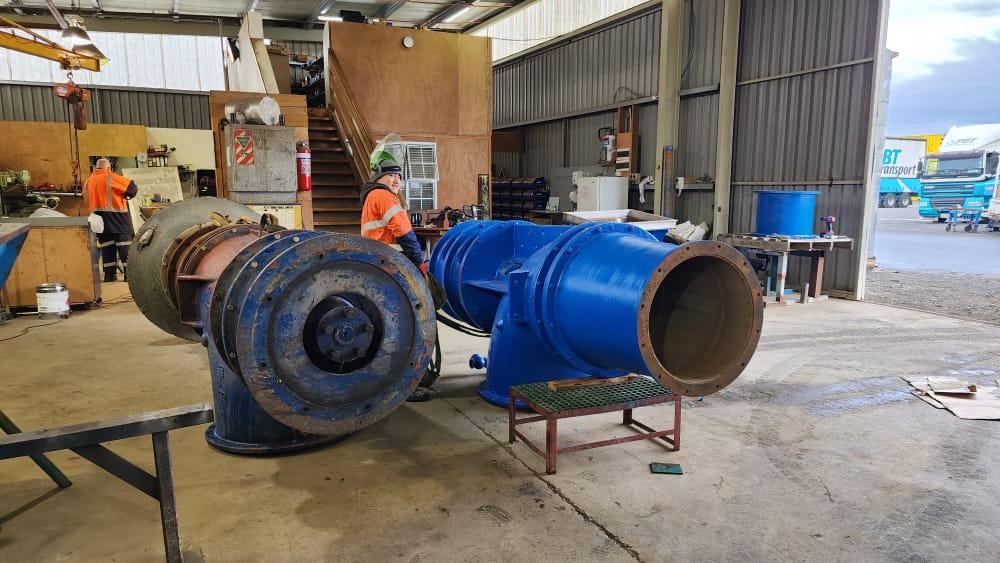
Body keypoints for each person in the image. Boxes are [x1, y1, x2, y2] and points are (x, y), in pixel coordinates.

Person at [360, 158, 432, 402]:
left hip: (379, 268)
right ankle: (405, 385)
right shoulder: (383, 196)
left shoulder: (371, 197)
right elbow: (404, 232)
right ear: (378, 177)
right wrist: (419, 262)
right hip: (392, 269)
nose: (397, 180)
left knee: (389, 326)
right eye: (391, 175)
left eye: (399, 177)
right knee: (407, 327)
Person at [83, 158, 137, 282]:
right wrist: (124, 195)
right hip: (117, 216)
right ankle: (129, 275)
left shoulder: (88, 181)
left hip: (98, 219)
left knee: (107, 247)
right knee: (124, 246)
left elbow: (86, 199)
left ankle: (109, 275)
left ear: (96, 168)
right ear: (108, 168)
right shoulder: (110, 176)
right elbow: (132, 188)